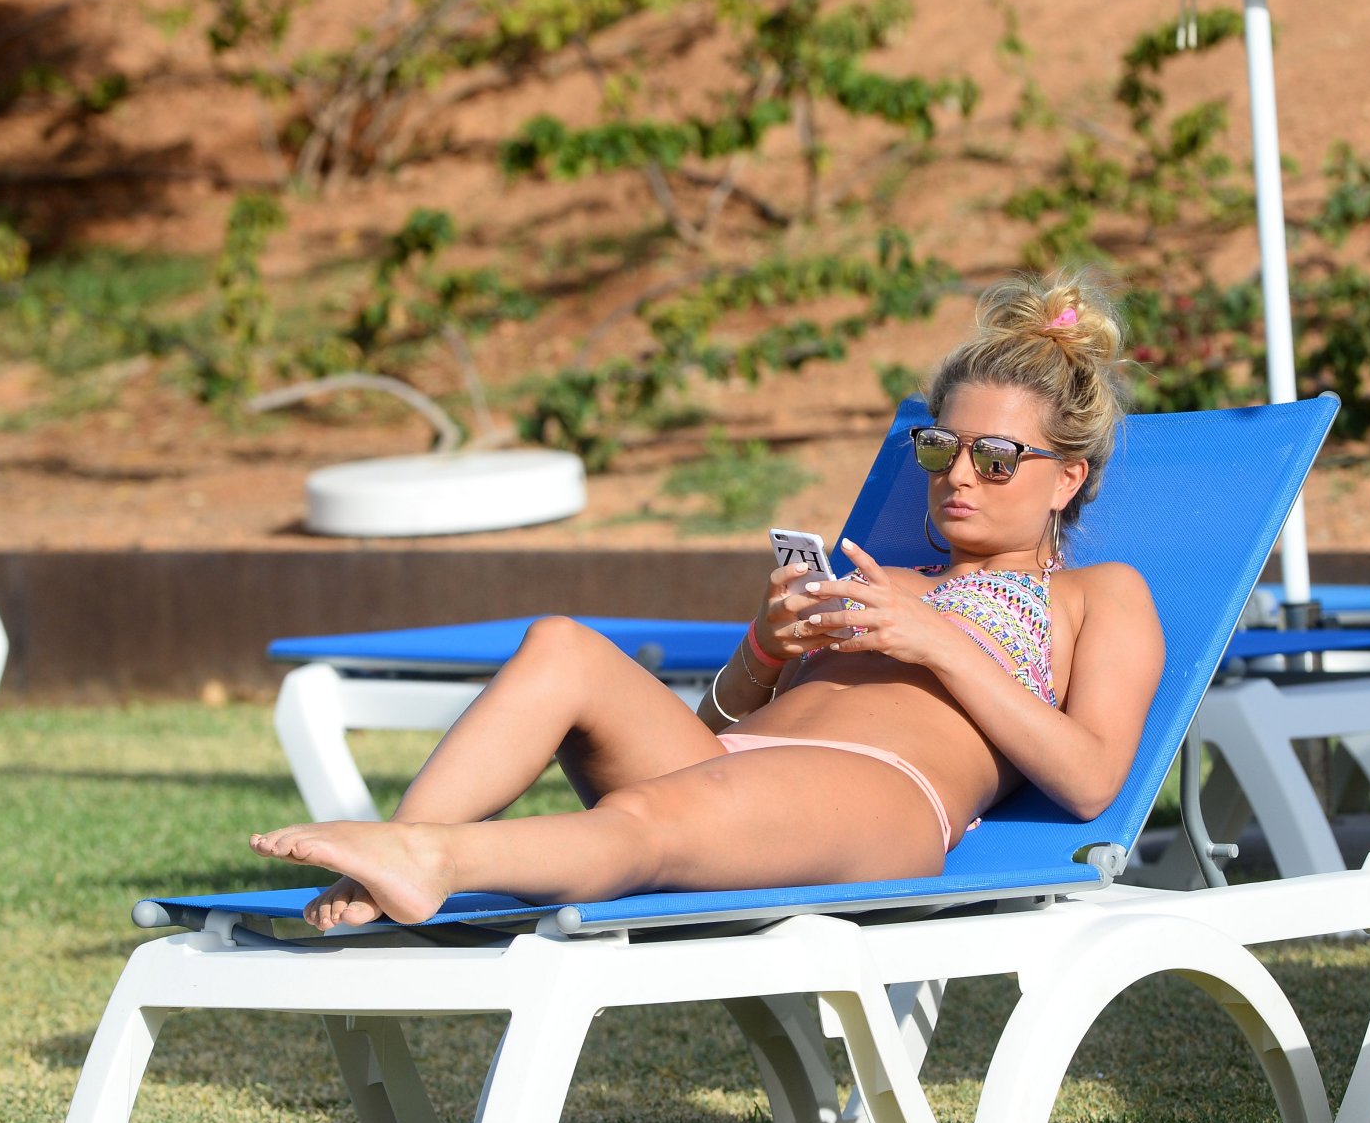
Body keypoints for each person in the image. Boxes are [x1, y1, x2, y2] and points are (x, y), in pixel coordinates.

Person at [251, 269, 1165, 929]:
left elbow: (1091, 779)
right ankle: (396, 858)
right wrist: (765, 648)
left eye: (996, 458)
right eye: (939, 447)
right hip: (736, 768)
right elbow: (711, 727)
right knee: (562, 646)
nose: (958, 475)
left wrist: (939, 643)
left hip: (879, 798)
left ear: (1065, 478)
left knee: (650, 820)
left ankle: (435, 857)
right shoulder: (882, 578)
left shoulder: (1096, 596)